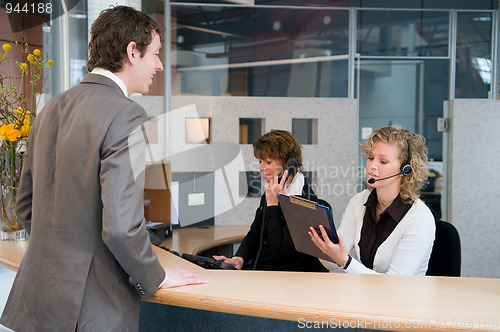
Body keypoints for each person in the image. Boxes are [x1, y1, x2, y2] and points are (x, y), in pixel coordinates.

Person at [0, 6, 206, 332]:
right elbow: (121, 228)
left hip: (37, 301)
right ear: (132, 52)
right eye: (154, 54)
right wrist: (157, 275)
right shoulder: (127, 115)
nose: (159, 65)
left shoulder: (50, 108)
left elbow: (26, 206)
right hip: (91, 309)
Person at [309, 125, 435, 275]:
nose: (372, 167)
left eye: (383, 162)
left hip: (401, 297)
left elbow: (395, 284)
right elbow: (331, 264)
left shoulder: (419, 218)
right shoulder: (359, 201)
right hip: (367, 295)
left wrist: (345, 262)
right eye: (370, 158)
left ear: (406, 170)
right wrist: (324, 246)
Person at [214, 130, 326, 272]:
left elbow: (281, 255)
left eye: (268, 162)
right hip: (261, 274)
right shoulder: (271, 192)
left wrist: (273, 205)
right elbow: (256, 232)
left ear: (288, 164)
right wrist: (239, 259)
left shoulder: (304, 201)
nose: (261, 168)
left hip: (285, 281)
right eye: (260, 161)